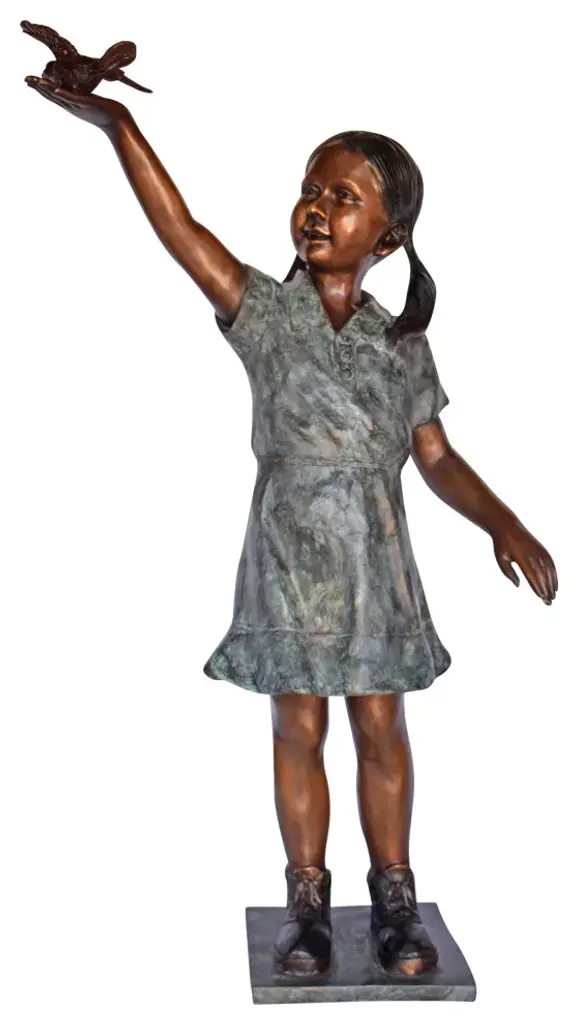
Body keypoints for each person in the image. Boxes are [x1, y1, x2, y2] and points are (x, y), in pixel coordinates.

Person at [24, 77, 558, 980]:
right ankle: (305, 902)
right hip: (285, 559)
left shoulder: (400, 345)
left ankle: (394, 902)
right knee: (296, 726)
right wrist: (118, 125)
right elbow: (180, 230)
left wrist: (501, 521)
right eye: (310, 189)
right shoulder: (265, 316)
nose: (315, 208)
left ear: (387, 237)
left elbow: (432, 456)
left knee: (380, 727)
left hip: (376, 565)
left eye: (341, 197)